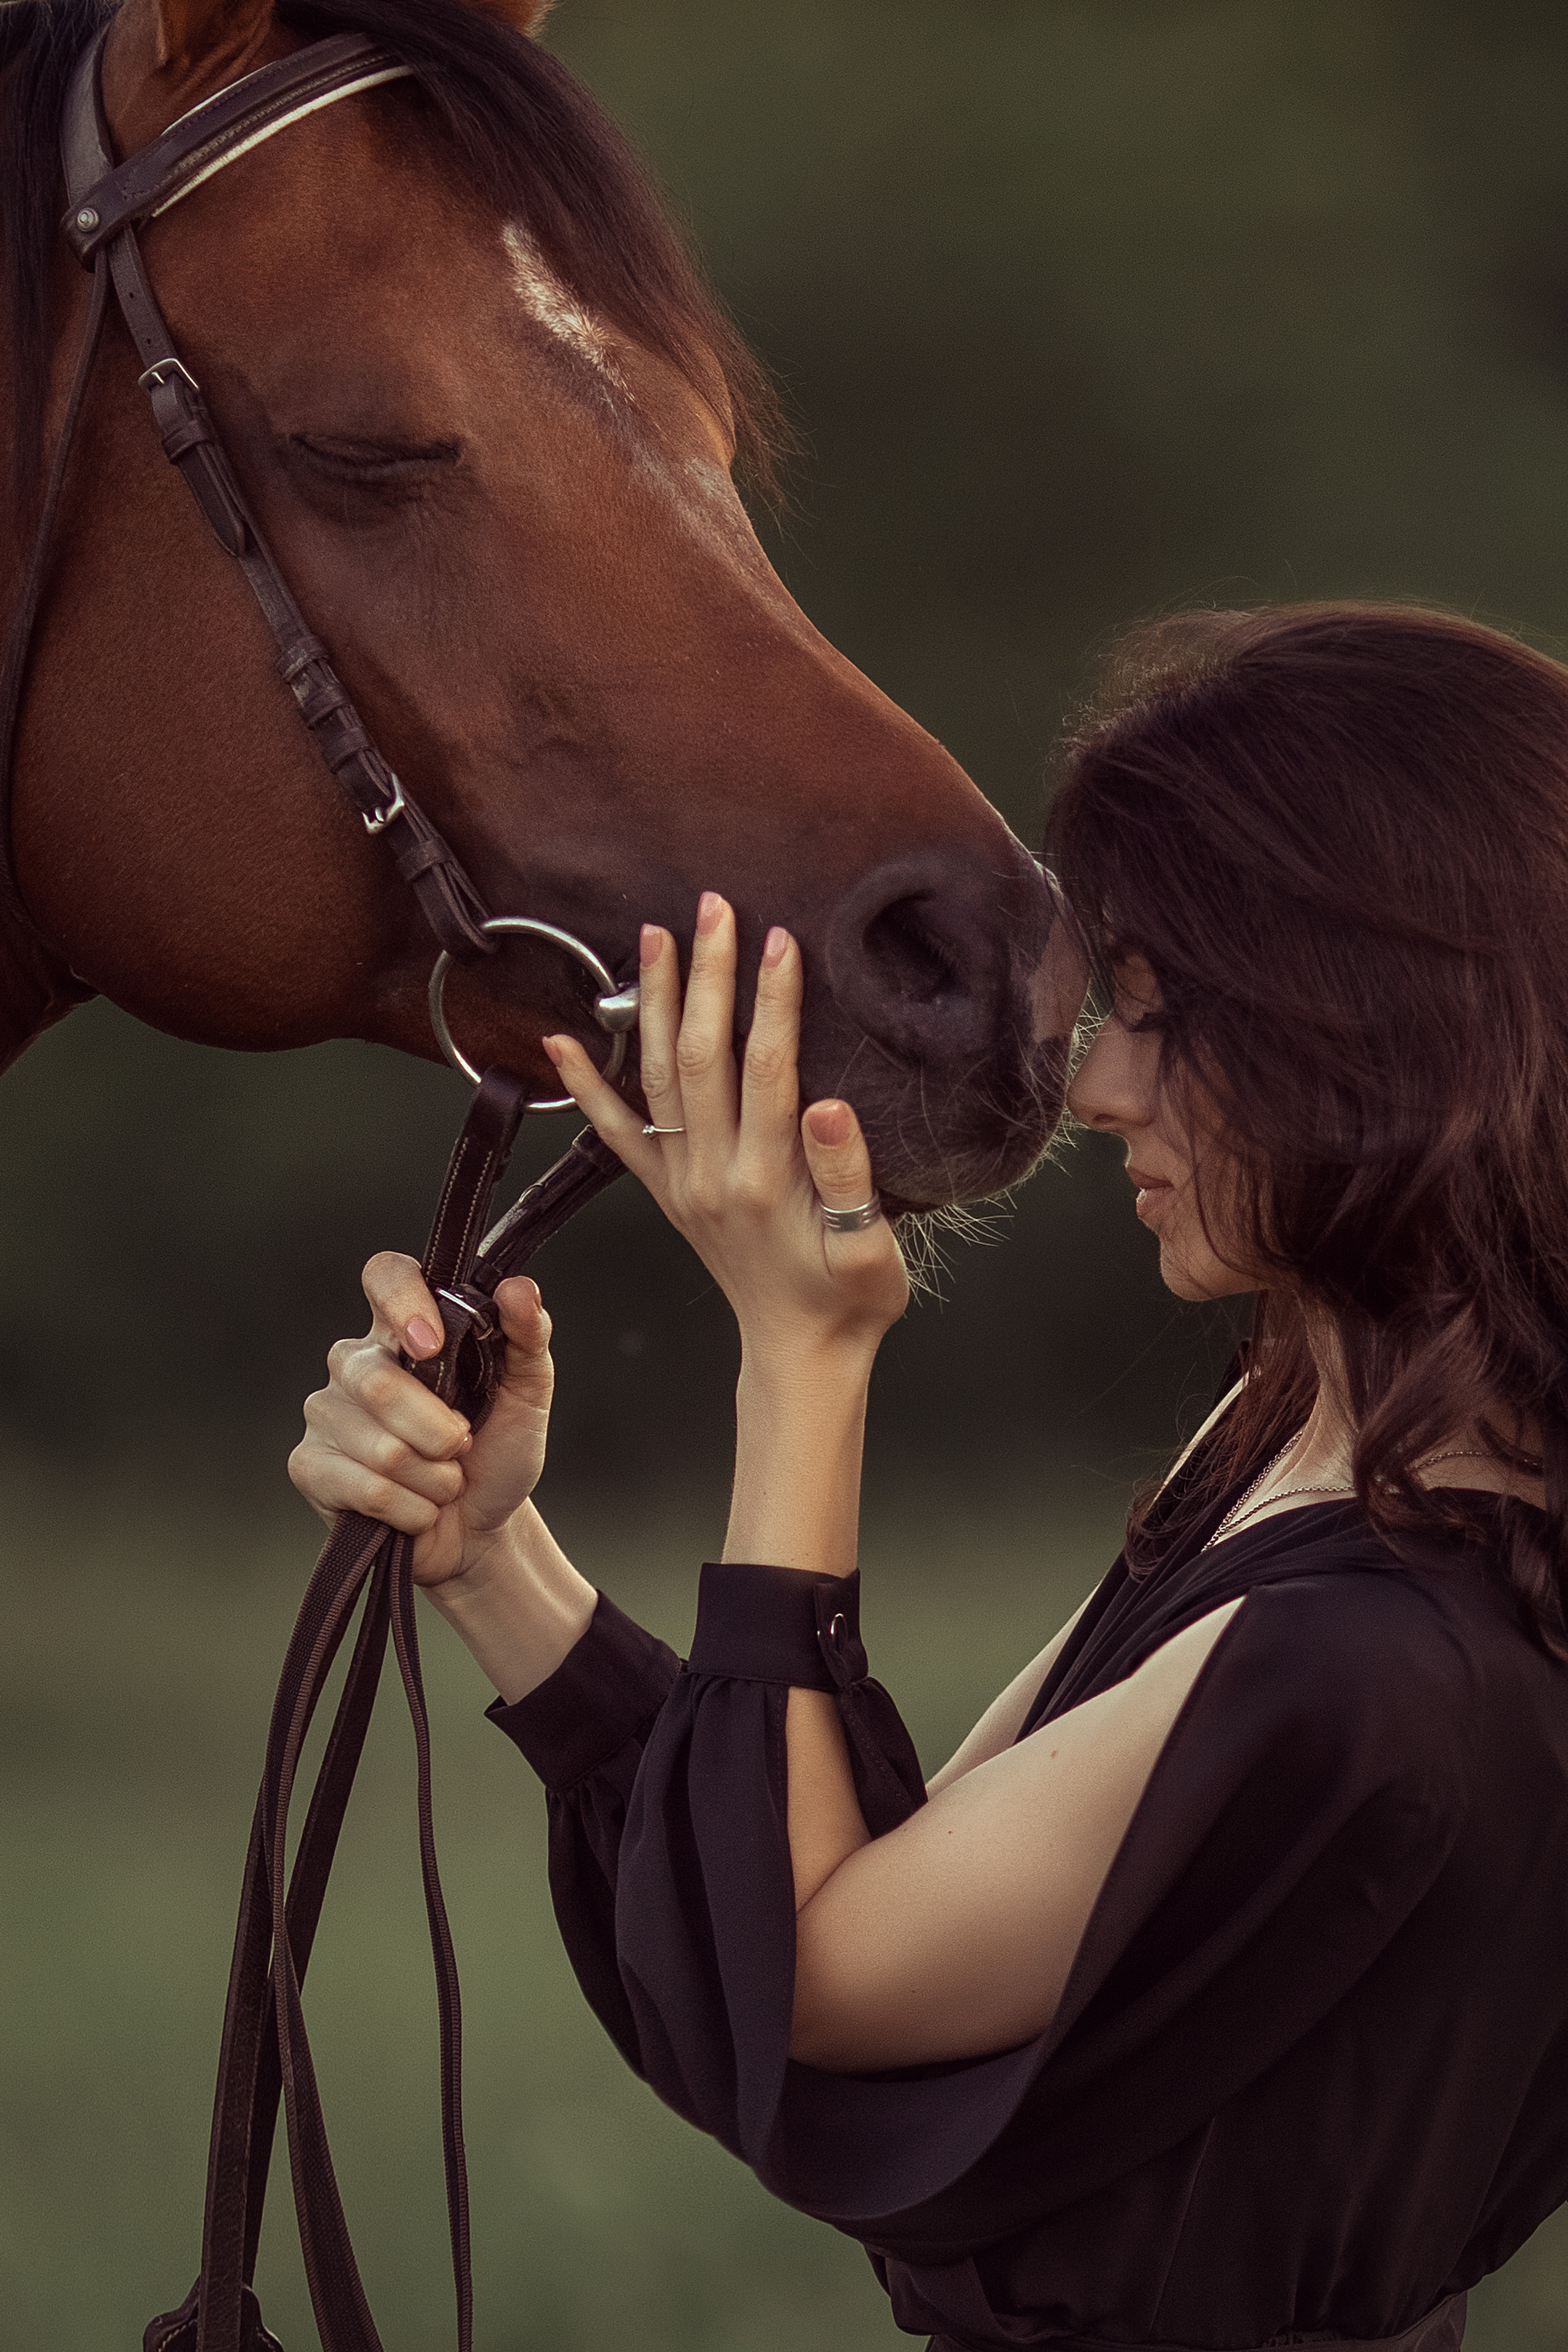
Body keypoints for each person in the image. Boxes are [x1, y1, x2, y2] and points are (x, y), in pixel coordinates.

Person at [290, 603, 1568, 2352]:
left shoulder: (1378, 1667)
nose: (1099, 1090)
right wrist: (495, 1564)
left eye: (1160, 1016)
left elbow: (810, 1983)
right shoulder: (1294, 1453)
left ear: (1376, 1025)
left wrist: (802, 1360)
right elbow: (869, 1895)